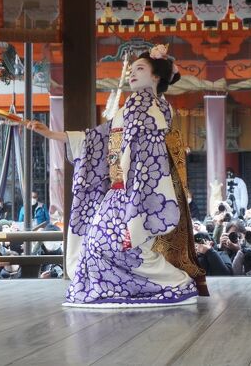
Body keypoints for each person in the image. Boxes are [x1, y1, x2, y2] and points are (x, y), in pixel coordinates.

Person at [26, 44, 204, 308]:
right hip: (119, 191)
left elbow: (148, 157)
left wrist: (137, 198)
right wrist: (53, 134)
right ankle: (124, 289)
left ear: (156, 77)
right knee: (99, 244)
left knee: (121, 246)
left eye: (140, 69)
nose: (132, 74)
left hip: (138, 190)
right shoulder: (129, 108)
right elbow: (95, 138)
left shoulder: (151, 109)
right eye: (131, 70)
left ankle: (176, 283)